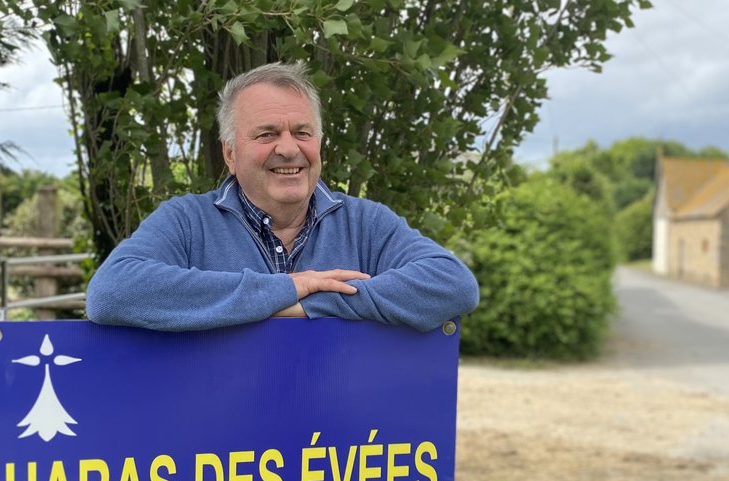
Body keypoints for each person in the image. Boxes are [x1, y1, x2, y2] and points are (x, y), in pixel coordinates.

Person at [86, 61, 479, 332]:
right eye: (267, 134)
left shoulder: (366, 223)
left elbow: (452, 285)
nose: (289, 149)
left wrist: (308, 303)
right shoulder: (187, 221)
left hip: (335, 428)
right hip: (220, 430)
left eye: (302, 133)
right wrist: (285, 289)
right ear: (230, 154)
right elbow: (112, 292)